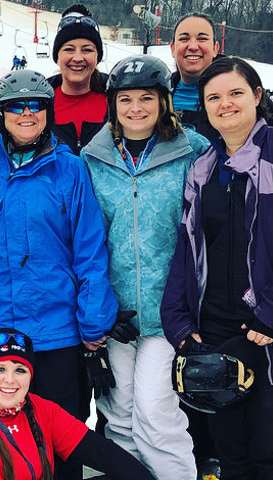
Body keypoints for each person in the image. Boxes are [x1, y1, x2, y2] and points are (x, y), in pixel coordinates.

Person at [0, 69, 118, 480]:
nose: (26, 113)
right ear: (1, 115)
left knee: (61, 439)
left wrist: (93, 321)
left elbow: (90, 251)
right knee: (1, 439)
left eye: (36, 105)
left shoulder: (70, 171)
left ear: (48, 113)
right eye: (16, 106)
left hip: (56, 334)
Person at [79, 54, 210, 479]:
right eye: (126, 99)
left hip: (168, 311)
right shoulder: (93, 158)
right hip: (115, 312)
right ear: (113, 105)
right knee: (118, 412)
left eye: (146, 98)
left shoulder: (192, 151)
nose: (136, 108)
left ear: (163, 101)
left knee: (155, 411)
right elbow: (86, 238)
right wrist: (99, 308)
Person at [162, 56, 273, 480]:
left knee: (267, 452)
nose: (225, 104)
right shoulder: (203, 168)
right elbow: (186, 250)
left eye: (235, 93)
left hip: (264, 331)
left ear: (257, 96)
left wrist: (270, 312)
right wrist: (177, 319)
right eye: (214, 97)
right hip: (216, 331)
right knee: (230, 453)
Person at [0, 328, 157, 480]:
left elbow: (101, 452)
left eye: (20, 370)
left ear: (30, 376)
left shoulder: (39, 408)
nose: (10, 380)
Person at [49, 4, 107, 155]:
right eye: (69, 49)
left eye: (87, 50)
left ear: (97, 57)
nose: (77, 58)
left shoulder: (116, 98)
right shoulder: (41, 101)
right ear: (57, 56)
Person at [170, 13, 221, 139]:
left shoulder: (239, 94)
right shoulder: (157, 94)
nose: (193, 46)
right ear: (172, 49)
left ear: (215, 48)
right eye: (184, 39)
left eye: (202, 39)